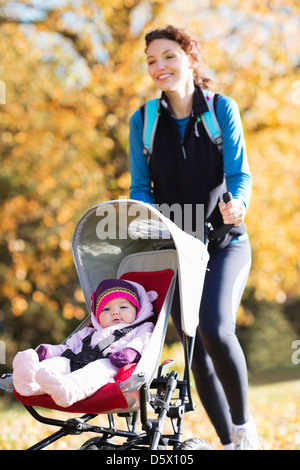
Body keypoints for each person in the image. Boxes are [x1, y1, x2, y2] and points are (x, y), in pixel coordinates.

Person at [129, 25, 260, 450]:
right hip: (177, 251)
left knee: (215, 328)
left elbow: (239, 174)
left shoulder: (221, 109)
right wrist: (145, 223)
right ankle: (229, 444)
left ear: (189, 57)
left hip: (226, 243)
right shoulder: (144, 121)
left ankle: (244, 430)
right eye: (151, 60)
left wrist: (237, 202)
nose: (159, 66)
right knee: (194, 354)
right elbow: (141, 188)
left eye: (167, 56)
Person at [13, 279, 157, 408]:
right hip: (75, 361)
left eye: (123, 307)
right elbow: (68, 347)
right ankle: (29, 381)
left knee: (95, 371)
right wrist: (50, 351)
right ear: (97, 316)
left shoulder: (141, 328)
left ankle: (69, 390)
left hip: (108, 365)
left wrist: (130, 352)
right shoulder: (88, 332)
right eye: (106, 309)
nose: (114, 312)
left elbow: (144, 340)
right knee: (57, 363)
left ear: (137, 310)